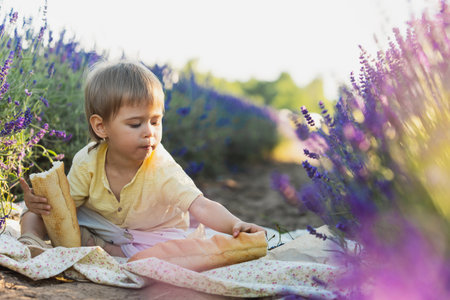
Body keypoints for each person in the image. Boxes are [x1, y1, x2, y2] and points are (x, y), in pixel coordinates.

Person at [18, 60, 265, 258]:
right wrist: (40, 204)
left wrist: (236, 223)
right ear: (101, 127)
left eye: (156, 121)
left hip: (154, 233)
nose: (149, 131)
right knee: (36, 212)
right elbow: (66, 207)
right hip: (106, 225)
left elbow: (200, 205)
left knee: (176, 252)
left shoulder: (162, 167)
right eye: (136, 123)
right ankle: (31, 241)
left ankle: (111, 250)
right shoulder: (89, 160)